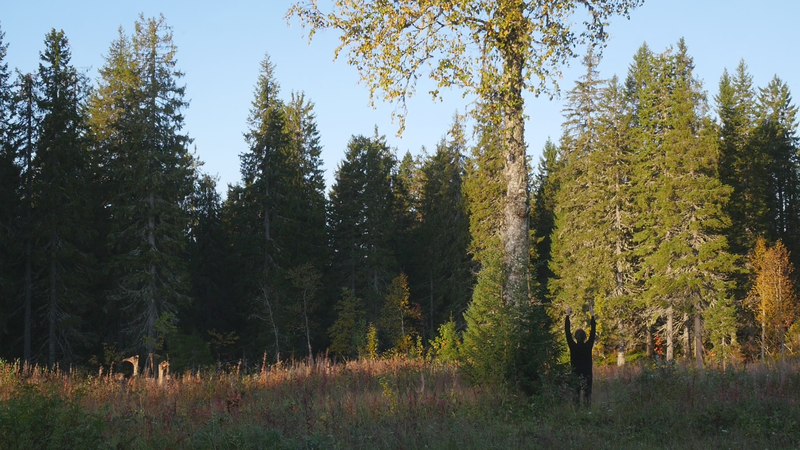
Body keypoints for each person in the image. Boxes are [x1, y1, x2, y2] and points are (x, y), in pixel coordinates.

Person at [565, 305, 596, 407]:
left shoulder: (573, 346)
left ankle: (576, 412)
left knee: (576, 396)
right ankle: (587, 411)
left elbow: (567, 332)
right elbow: (593, 332)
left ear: (575, 337)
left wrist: (567, 316)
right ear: (585, 337)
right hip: (587, 374)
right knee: (587, 396)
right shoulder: (588, 346)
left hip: (575, 374)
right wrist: (592, 316)